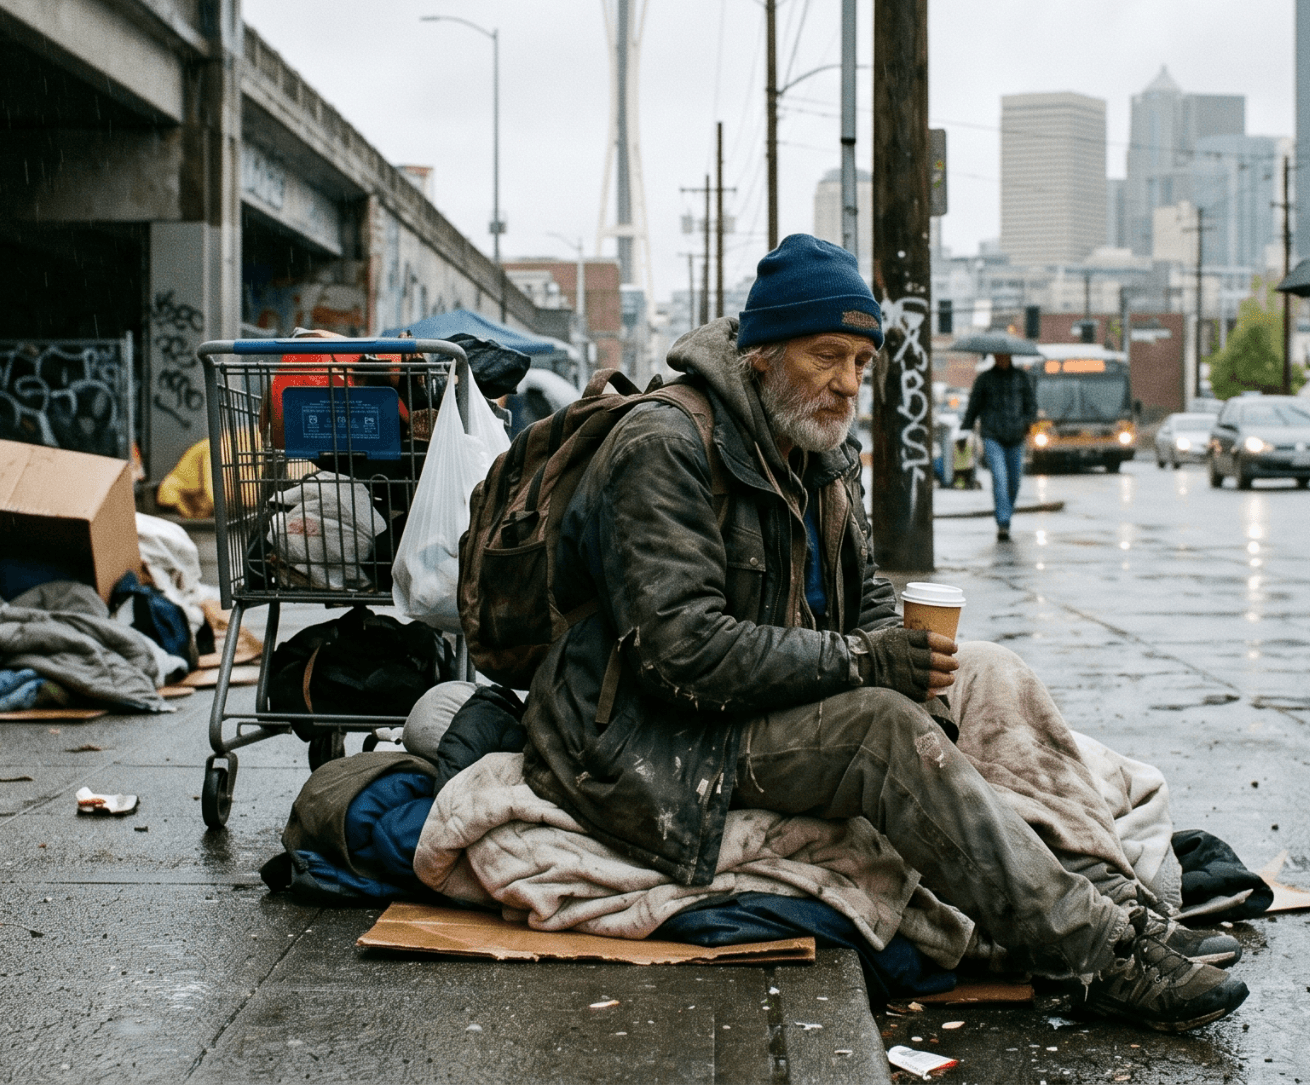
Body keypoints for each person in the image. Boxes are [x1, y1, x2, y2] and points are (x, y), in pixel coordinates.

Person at [522, 235, 1250, 1032]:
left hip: (769, 691)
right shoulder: (664, 445)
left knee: (988, 673)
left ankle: (1115, 908)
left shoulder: (822, 453)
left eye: (862, 362)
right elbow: (682, 650)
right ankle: (1092, 955)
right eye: (826, 355)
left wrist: (918, 684)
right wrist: (872, 668)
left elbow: (865, 595)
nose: (847, 383)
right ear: (763, 354)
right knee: (884, 730)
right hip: (658, 734)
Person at [964, 349, 1038, 542]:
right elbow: (974, 406)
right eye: (997, 355)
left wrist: (1027, 422)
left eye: (1003, 355)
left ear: (1010, 356)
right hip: (992, 436)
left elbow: (1031, 406)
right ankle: (1003, 522)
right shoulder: (985, 379)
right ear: (993, 357)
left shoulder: (1022, 378)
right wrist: (965, 429)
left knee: (1015, 481)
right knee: (999, 478)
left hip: (1016, 436)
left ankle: (1006, 513)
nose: (1000, 358)